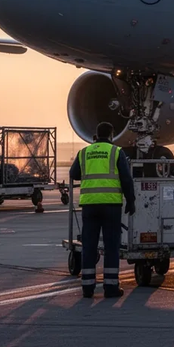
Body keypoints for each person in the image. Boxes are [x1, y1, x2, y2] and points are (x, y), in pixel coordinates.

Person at [69, 122, 135, 298]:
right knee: (111, 246)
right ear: (112, 135)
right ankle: (111, 287)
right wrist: (131, 200)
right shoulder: (116, 152)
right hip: (111, 205)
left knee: (89, 246)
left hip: (89, 205)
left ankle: (87, 288)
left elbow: (73, 174)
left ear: (95, 136)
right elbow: (126, 179)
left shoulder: (84, 152)